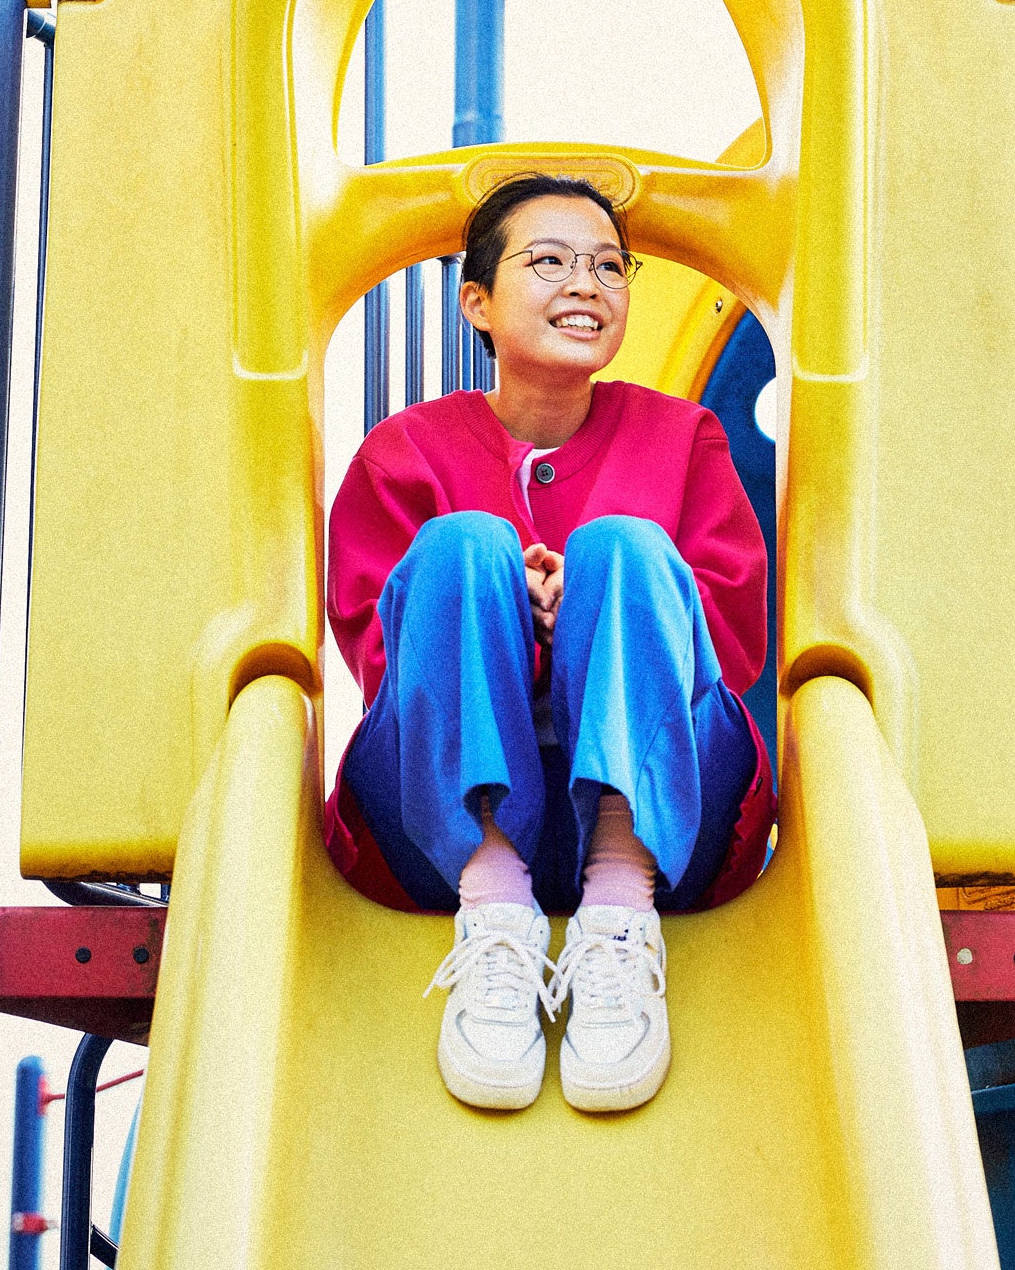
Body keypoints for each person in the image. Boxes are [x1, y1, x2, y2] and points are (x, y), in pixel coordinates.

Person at [325, 173, 774, 1114]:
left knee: (625, 549)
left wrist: (590, 611)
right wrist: (518, 621)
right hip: (446, 824)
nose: (586, 284)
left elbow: (732, 646)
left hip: (668, 813)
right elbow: (381, 660)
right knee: (460, 547)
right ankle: (494, 912)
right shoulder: (407, 451)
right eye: (550, 262)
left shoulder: (682, 436)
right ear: (477, 302)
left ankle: (618, 915)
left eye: (610, 267)